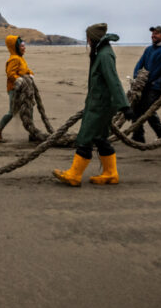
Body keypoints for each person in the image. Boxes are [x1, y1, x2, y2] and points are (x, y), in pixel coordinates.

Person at [53, 23, 131, 186]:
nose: (87, 40)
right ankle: (110, 173)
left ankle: (75, 175)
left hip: (100, 105)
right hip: (99, 102)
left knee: (86, 137)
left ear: (93, 38)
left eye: (88, 37)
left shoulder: (104, 55)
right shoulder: (101, 52)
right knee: (100, 138)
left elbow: (113, 80)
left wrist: (124, 106)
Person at [130, 25, 161, 143]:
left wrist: (145, 82)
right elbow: (140, 64)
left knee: (147, 109)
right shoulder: (149, 49)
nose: (153, 35)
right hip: (145, 84)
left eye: (157, 33)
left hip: (156, 86)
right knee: (137, 108)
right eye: (153, 33)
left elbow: (157, 71)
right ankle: (138, 136)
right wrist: (136, 78)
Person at [0, 35, 34, 142]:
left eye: (24, 45)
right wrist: (18, 80)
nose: (24, 48)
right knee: (12, 112)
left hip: (24, 89)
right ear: (15, 47)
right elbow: (10, 73)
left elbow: (26, 70)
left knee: (29, 109)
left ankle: (32, 133)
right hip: (14, 89)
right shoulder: (14, 59)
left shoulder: (20, 58)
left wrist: (30, 74)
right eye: (22, 46)